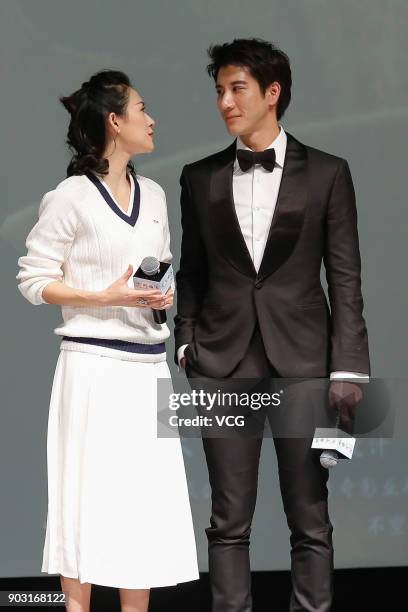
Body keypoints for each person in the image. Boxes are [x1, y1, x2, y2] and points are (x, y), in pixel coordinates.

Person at [174, 39, 370, 611]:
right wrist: (185, 341)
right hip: (220, 361)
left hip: (307, 363)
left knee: (310, 516)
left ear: (272, 93)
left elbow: (346, 278)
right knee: (226, 519)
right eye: (219, 91)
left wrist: (349, 367)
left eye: (237, 89)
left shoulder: (330, 172)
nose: (225, 103)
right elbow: (193, 270)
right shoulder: (198, 176)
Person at [17, 70, 198, 612]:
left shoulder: (156, 194)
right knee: (87, 499)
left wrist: (159, 295)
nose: (152, 118)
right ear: (114, 122)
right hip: (93, 367)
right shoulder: (70, 197)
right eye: (142, 109)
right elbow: (32, 279)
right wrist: (105, 296)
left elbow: (157, 270)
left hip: (147, 368)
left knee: (139, 503)